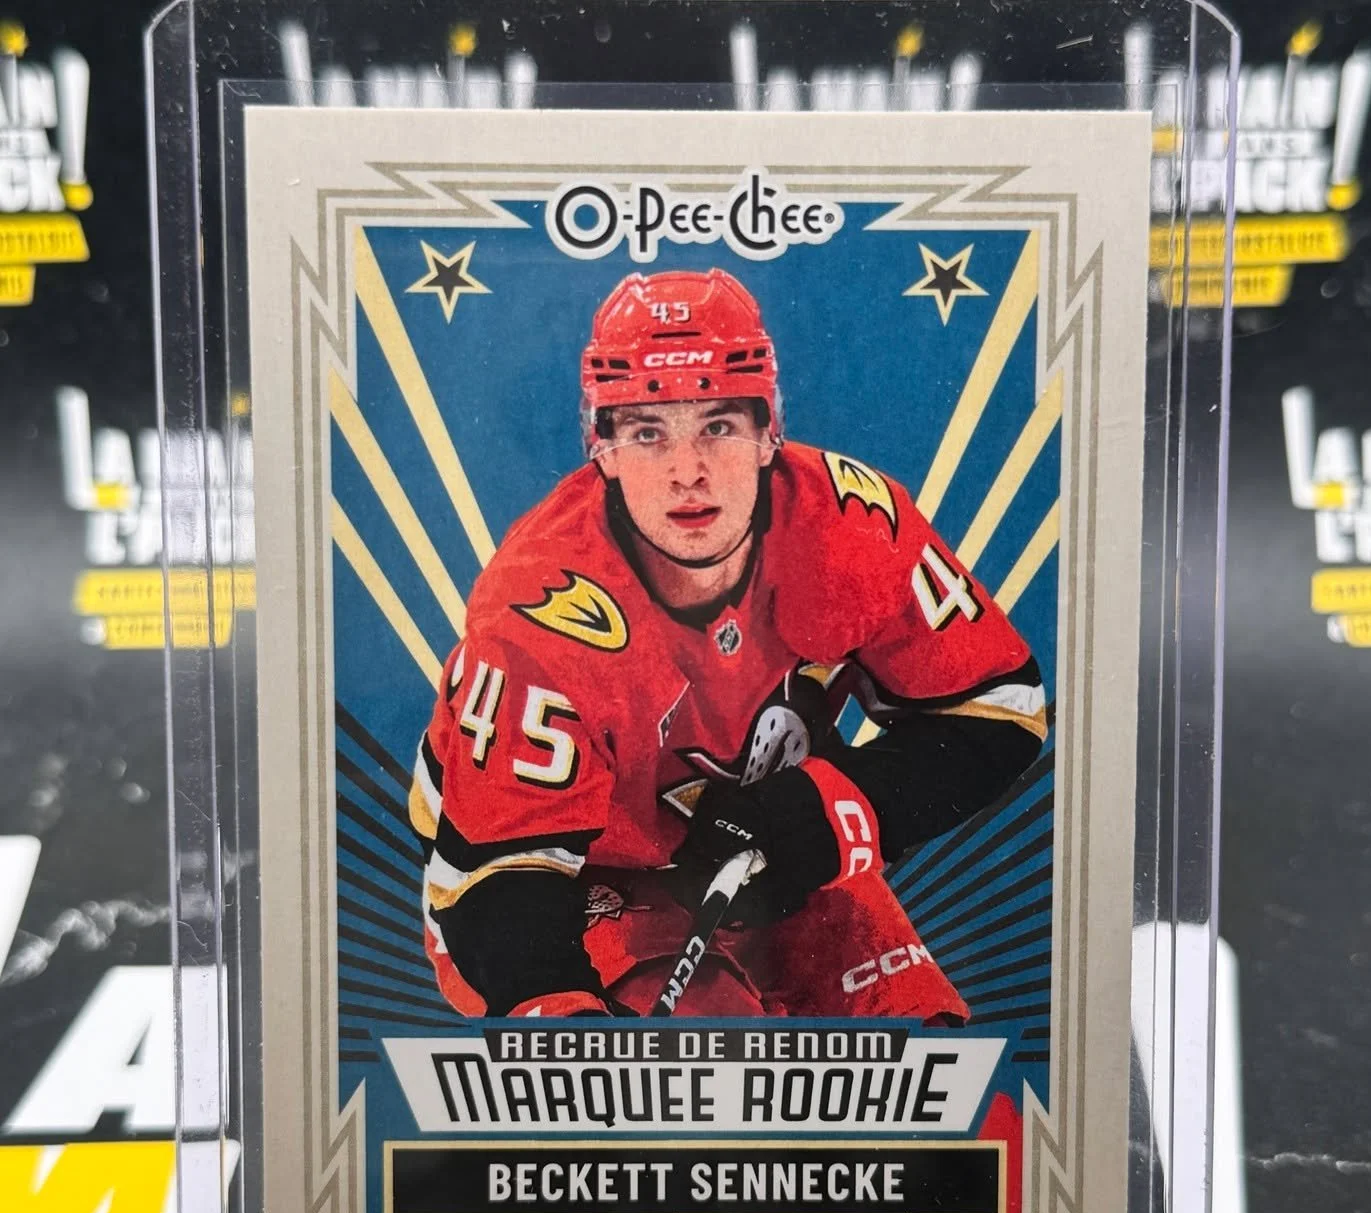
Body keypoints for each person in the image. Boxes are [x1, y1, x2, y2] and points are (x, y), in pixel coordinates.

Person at [408, 268, 1046, 1021]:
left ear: (770, 431)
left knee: (924, 1053)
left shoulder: (851, 523)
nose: (689, 472)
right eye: (648, 432)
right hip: (579, 883)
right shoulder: (539, 612)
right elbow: (494, 880)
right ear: (600, 448)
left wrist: (821, 810)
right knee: (710, 1051)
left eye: (718, 425)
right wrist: (570, 1033)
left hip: (766, 852)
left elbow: (1003, 710)